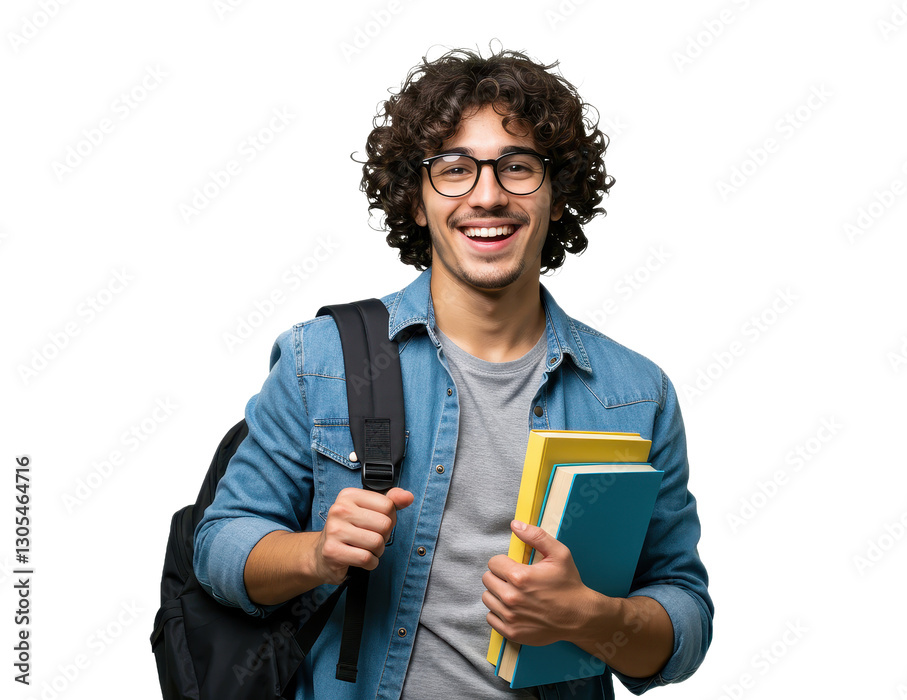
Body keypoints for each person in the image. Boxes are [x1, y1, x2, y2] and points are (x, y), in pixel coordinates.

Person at [193, 47, 712, 699]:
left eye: (517, 167)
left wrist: (590, 616)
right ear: (416, 200)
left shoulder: (635, 394)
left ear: (558, 194)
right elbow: (218, 546)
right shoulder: (319, 359)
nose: (487, 195)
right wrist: (316, 553)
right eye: (454, 169)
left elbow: (684, 611)